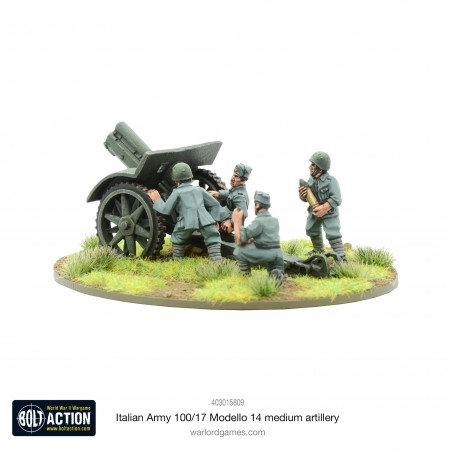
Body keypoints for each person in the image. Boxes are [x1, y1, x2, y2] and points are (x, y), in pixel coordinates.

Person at [148, 162, 222, 260]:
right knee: (212, 237)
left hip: (186, 221)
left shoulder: (177, 192)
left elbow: (166, 210)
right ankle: (217, 259)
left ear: (176, 180)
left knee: (177, 237)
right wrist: (215, 220)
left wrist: (157, 200)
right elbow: (215, 204)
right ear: (191, 178)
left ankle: (177, 258)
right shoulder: (199, 190)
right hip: (205, 220)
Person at [298, 151, 346, 260]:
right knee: (311, 229)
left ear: (320, 168)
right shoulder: (311, 180)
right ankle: (318, 249)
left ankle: (341, 256)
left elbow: (337, 199)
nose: (310, 167)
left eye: (313, 165)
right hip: (314, 211)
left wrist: (324, 208)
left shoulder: (331, 181)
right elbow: (307, 198)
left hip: (329, 213)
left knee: (333, 232)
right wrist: (303, 195)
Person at [232, 191, 285, 285]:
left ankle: (245, 274)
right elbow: (267, 236)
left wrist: (237, 221)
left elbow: (242, 238)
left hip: (266, 252)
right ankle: (276, 273)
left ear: (257, 205)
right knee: (275, 268)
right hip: (277, 253)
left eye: (254, 204)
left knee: (239, 251)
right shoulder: (275, 220)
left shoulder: (258, 221)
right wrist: (253, 239)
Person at [209, 163, 252, 233]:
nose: (232, 178)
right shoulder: (236, 189)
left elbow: (243, 214)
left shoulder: (240, 196)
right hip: (226, 210)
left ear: (242, 181)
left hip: (228, 216)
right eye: (233, 175)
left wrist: (231, 222)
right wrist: (218, 194)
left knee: (208, 210)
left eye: (236, 177)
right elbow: (230, 193)